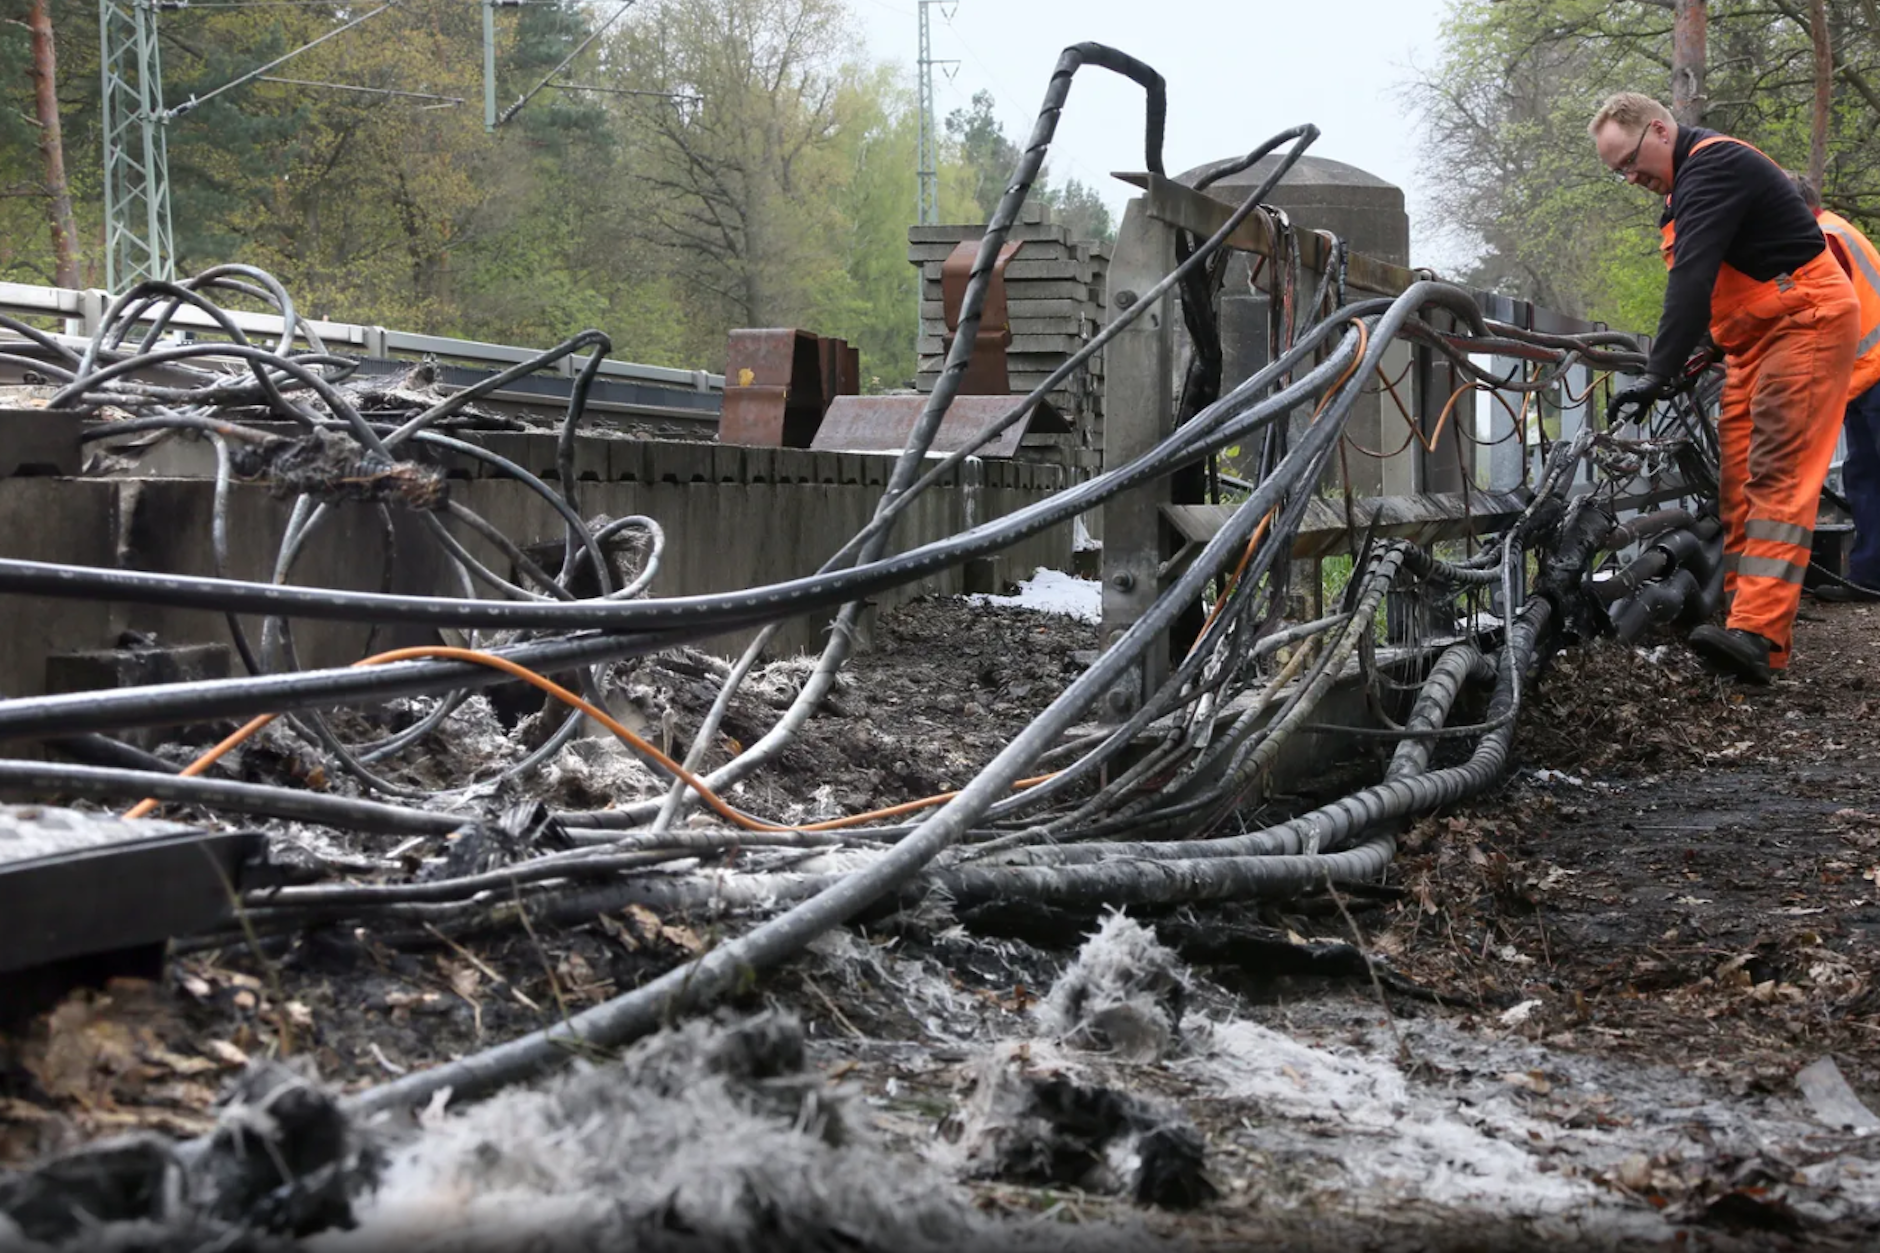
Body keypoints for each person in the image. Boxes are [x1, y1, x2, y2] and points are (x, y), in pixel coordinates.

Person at [1591, 92, 1860, 683]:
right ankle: (1741, 627)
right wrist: (1701, 353)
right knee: (1739, 485)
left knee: (1777, 474)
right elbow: (1741, 276)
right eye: (1618, 172)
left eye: (1630, 161)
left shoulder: (1713, 166)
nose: (1630, 177)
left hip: (1804, 323)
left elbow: (1695, 273)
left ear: (1660, 130)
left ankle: (1756, 635)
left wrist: (1658, 371)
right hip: (1753, 342)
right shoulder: (1683, 188)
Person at [1786, 170, 1880, 600]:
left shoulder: (1822, 240)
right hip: (1864, 376)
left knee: (1868, 475)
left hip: (1872, 371)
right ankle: (1868, 576)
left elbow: (1820, 313)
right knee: (1864, 475)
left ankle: (1869, 575)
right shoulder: (1834, 231)